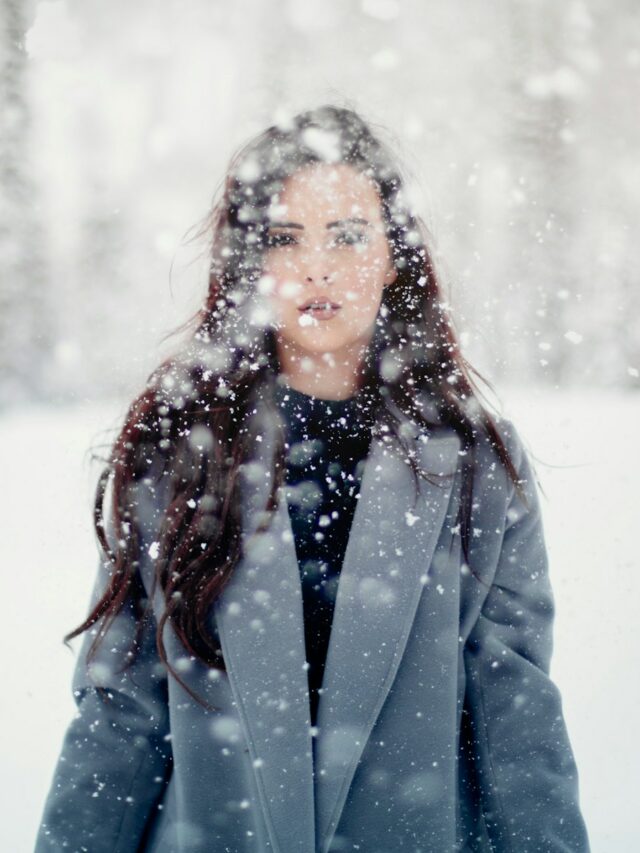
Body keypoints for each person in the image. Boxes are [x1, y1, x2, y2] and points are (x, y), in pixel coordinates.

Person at [35, 104, 590, 853]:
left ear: (394, 253)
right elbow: (119, 714)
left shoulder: (474, 461)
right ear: (247, 261)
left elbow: (516, 711)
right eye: (283, 238)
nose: (316, 267)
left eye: (347, 234)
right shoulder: (180, 452)